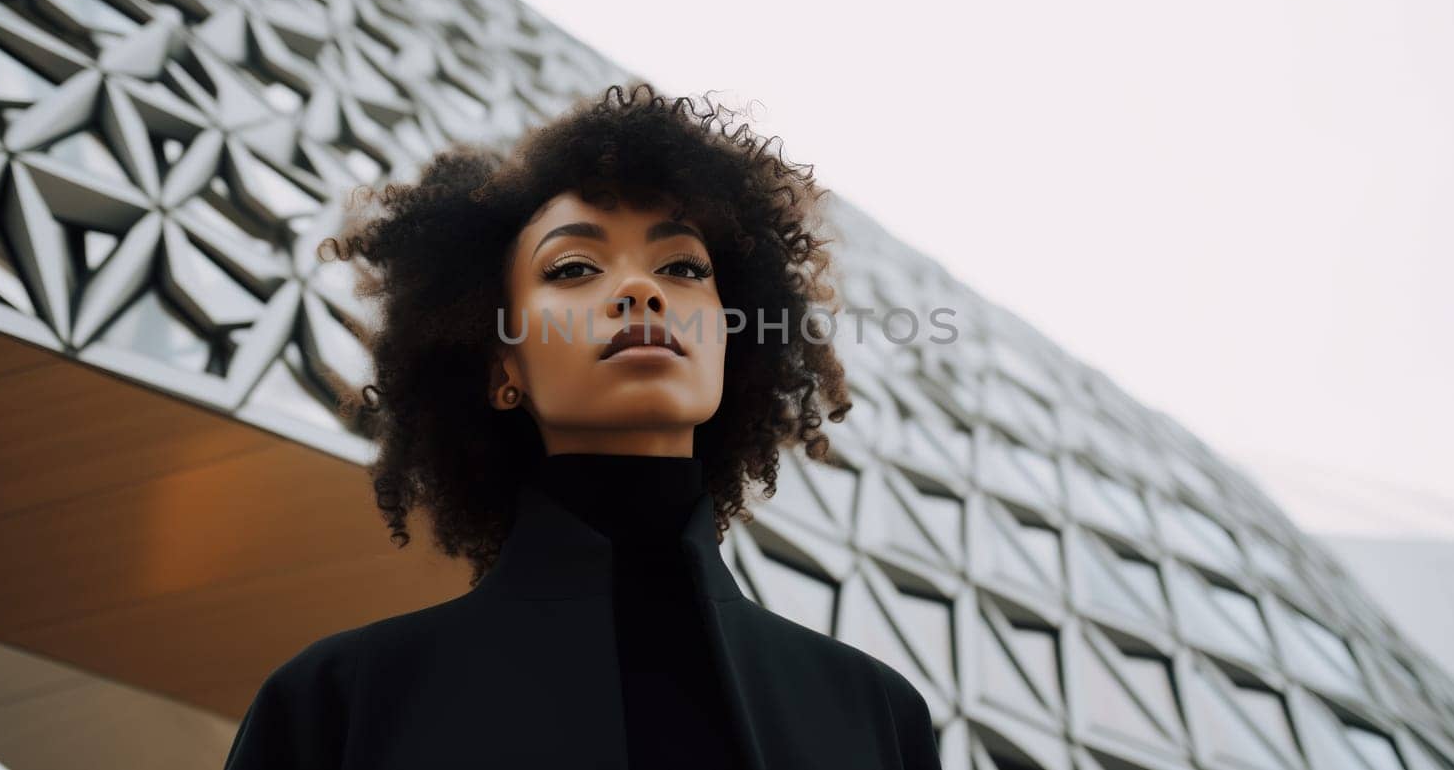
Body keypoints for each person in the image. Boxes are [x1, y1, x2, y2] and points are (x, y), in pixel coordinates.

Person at [222, 82, 944, 770]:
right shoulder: (337, 706)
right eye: (572, 268)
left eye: (684, 268)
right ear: (503, 366)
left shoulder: (876, 718)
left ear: (732, 338)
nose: (640, 288)